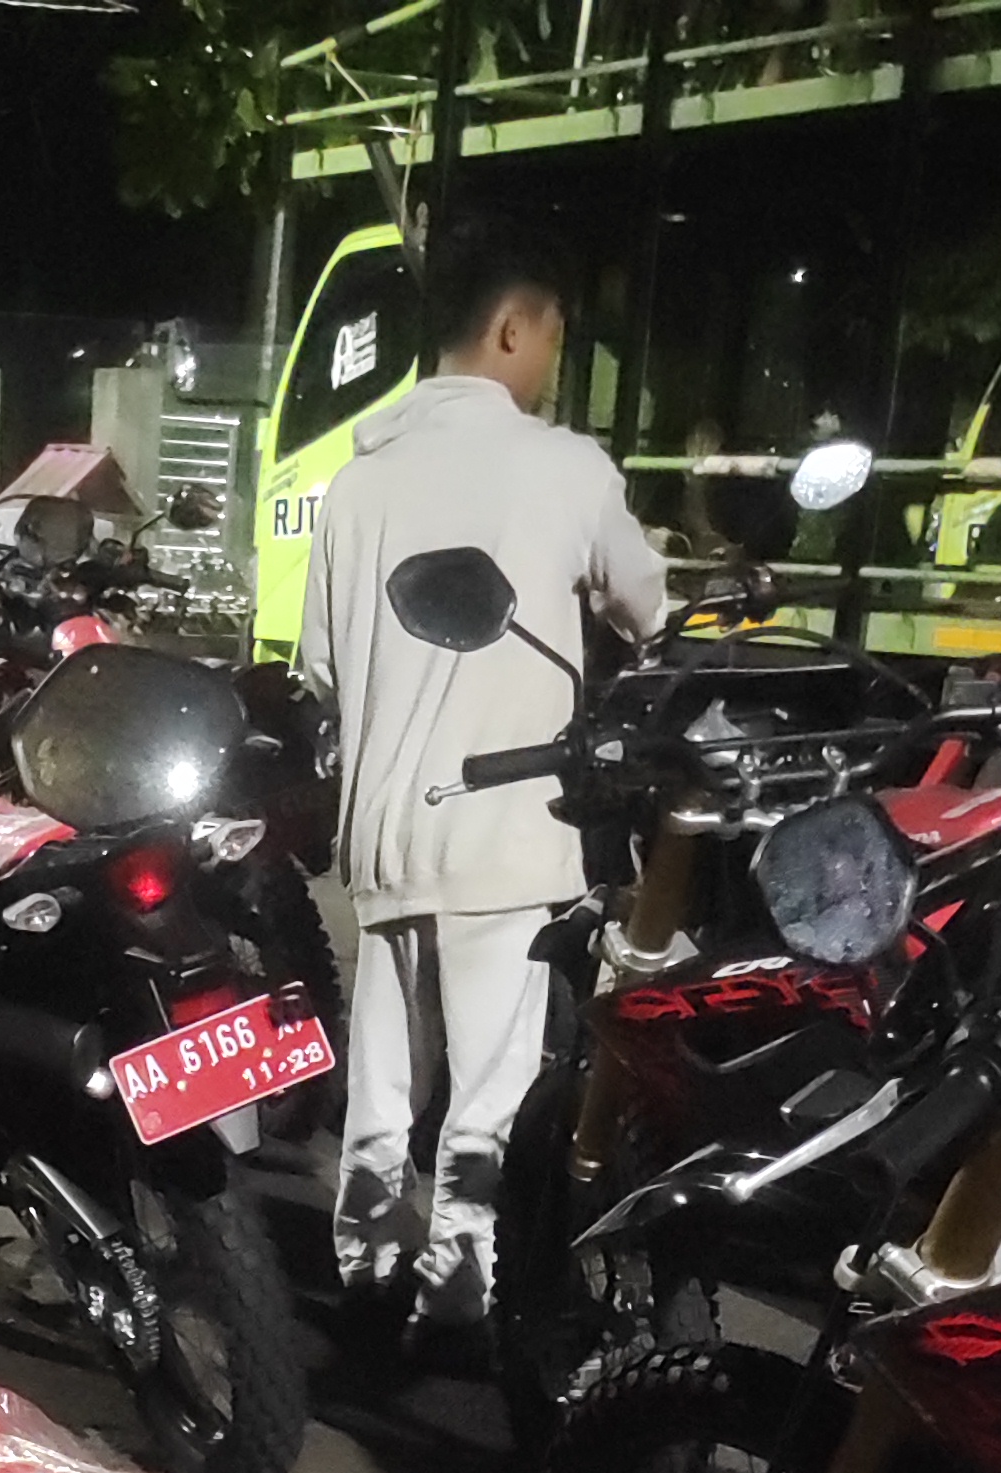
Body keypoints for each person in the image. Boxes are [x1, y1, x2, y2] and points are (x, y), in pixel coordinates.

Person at [300, 224, 666, 1336]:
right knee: (488, 1094)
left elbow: (323, 666)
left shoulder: (357, 484)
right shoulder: (566, 467)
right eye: (553, 337)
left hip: (382, 836)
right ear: (513, 328)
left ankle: (367, 1273)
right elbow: (650, 611)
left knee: (385, 1084)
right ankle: (458, 1294)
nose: (551, 361)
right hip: (506, 833)